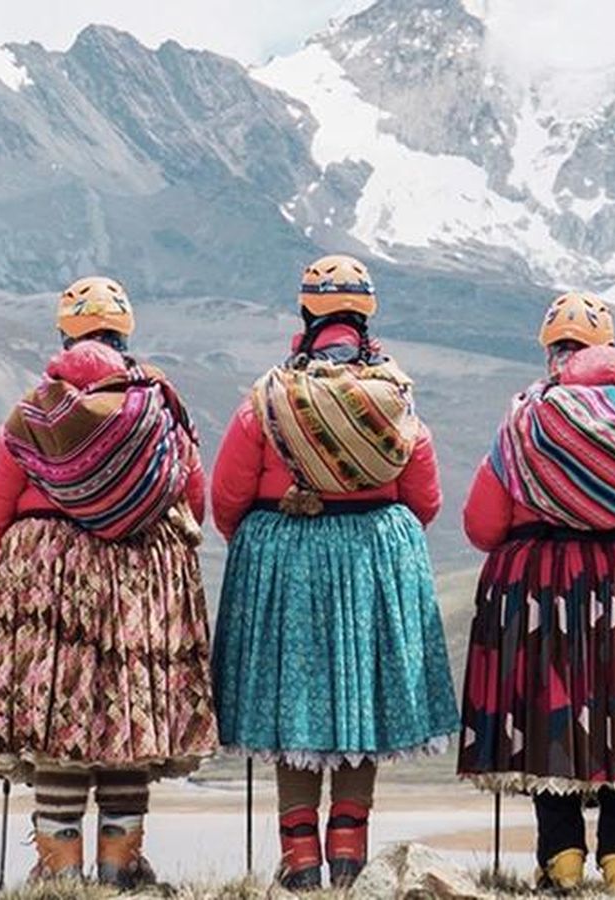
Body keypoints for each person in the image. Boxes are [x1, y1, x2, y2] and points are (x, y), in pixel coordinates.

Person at [209, 255, 458, 890]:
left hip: (284, 558)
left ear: (306, 315)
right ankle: (350, 852)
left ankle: (299, 860)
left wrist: (275, 536)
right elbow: (423, 498)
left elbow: (227, 499)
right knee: (362, 707)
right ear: (366, 314)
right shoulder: (394, 399)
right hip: (371, 555)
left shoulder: (267, 399)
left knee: (290, 713)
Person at [0, 276, 215, 887]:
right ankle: (121, 866)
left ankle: (59, 869)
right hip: (138, 574)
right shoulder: (158, 408)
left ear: (63, 335)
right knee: (127, 727)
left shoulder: (30, 415)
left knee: (59, 725)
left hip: (47, 576)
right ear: (123, 334)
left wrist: (25, 576)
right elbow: (194, 497)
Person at [457, 292, 615, 891]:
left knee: (552, 721)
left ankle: (562, 858)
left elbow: (482, 526)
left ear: (552, 352)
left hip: (543, 587)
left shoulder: (523, 425)